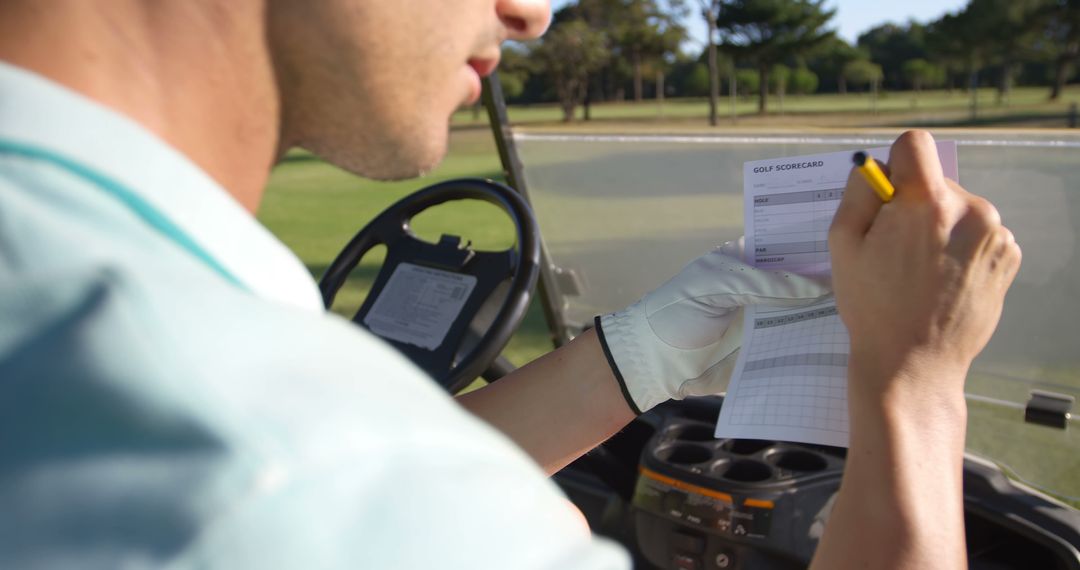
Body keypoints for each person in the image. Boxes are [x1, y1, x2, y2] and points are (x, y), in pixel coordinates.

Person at [0, 1, 1020, 569]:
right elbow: (327, 481)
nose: (531, 11)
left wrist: (646, 351)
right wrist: (917, 387)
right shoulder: (302, 481)